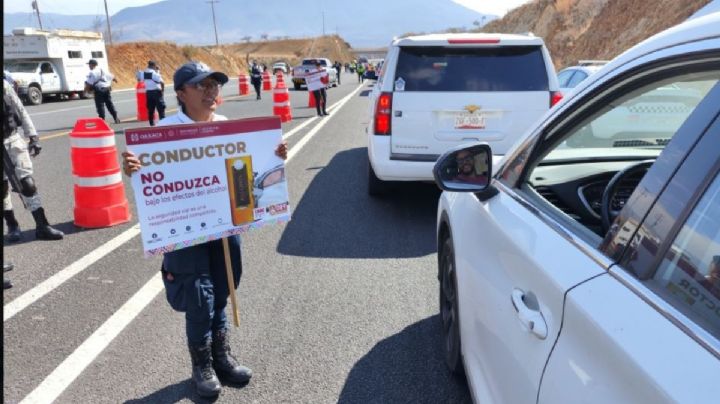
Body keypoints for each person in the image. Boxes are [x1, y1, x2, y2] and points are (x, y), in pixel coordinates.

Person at [121, 61, 288, 398]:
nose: (211, 91)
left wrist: (274, 156)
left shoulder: (227, 127)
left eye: (214, 85)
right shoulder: (164, 131)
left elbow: (249, 173)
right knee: (200, 296)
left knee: (223, 289)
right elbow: (146, 174)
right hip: (185, 230)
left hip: (224, 226)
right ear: (181, 94)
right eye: (202, 86)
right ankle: (202, 367)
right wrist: (132, 167)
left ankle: (222, 357)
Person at [3, 79, 64, 242]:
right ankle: (12, 225)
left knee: (28, 184)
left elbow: (20, 110)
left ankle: (42, 226)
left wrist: (33, 136)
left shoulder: (4, 85)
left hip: (12, 140)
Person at [84, 59, 120, 124]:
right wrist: (115, 81)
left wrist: (85, 92)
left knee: (100, 106)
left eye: (89, 64)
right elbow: (112, 77)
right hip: (107, 89)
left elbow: (88, 84)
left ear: (93, 65)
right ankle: (116, 118)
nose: (89, 66)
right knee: (109, 104)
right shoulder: (103, 70)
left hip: (99, 90)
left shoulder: (92, 72)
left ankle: (102, 121)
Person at [142, 60, 166, 126]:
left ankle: (151, 124)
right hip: (156, 93)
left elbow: (140, 78)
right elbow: (162, 82)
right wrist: (162, 91)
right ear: (154, 66)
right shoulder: (154, 73)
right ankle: (163, 124)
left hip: (148, 93)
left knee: (150, 109)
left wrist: (157, 71)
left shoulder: (144, 73)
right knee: (161, 109)